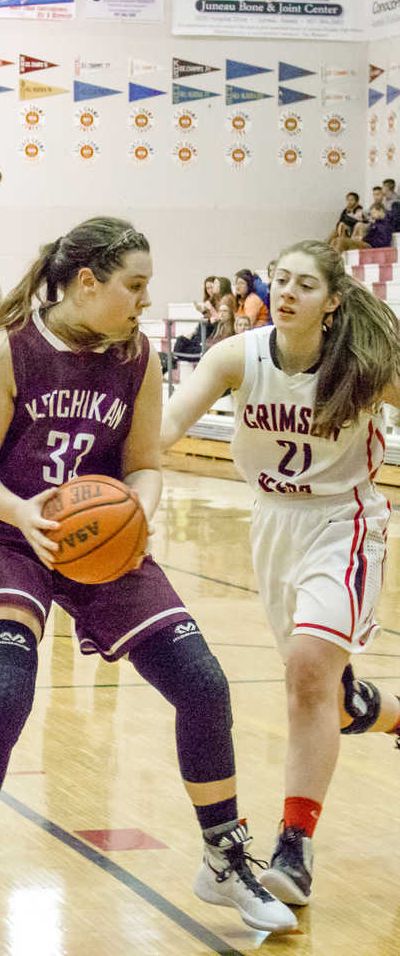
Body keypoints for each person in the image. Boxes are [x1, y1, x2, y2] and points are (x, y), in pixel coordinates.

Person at [0, 216, 297, 956]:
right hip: (7, 532)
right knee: (3, 693)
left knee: (203, 685)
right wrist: (24, 513)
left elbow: (145, 461)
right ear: (86, 283)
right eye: (135, 285)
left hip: (97, 538)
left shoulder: (137, 355)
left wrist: (140, 509)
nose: (145, 300)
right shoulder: (8, 347)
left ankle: (223, 858)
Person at [161, 239, 400, 907]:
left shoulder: (363, 364)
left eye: (304, 284)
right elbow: (170, 423)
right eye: (281, 281)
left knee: (307, 670)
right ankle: (387, 715)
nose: (288, 293)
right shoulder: (237, 356)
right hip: (272, 525)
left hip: (343, 523)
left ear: (332, 301)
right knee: (329, 696)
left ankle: (295, 847)